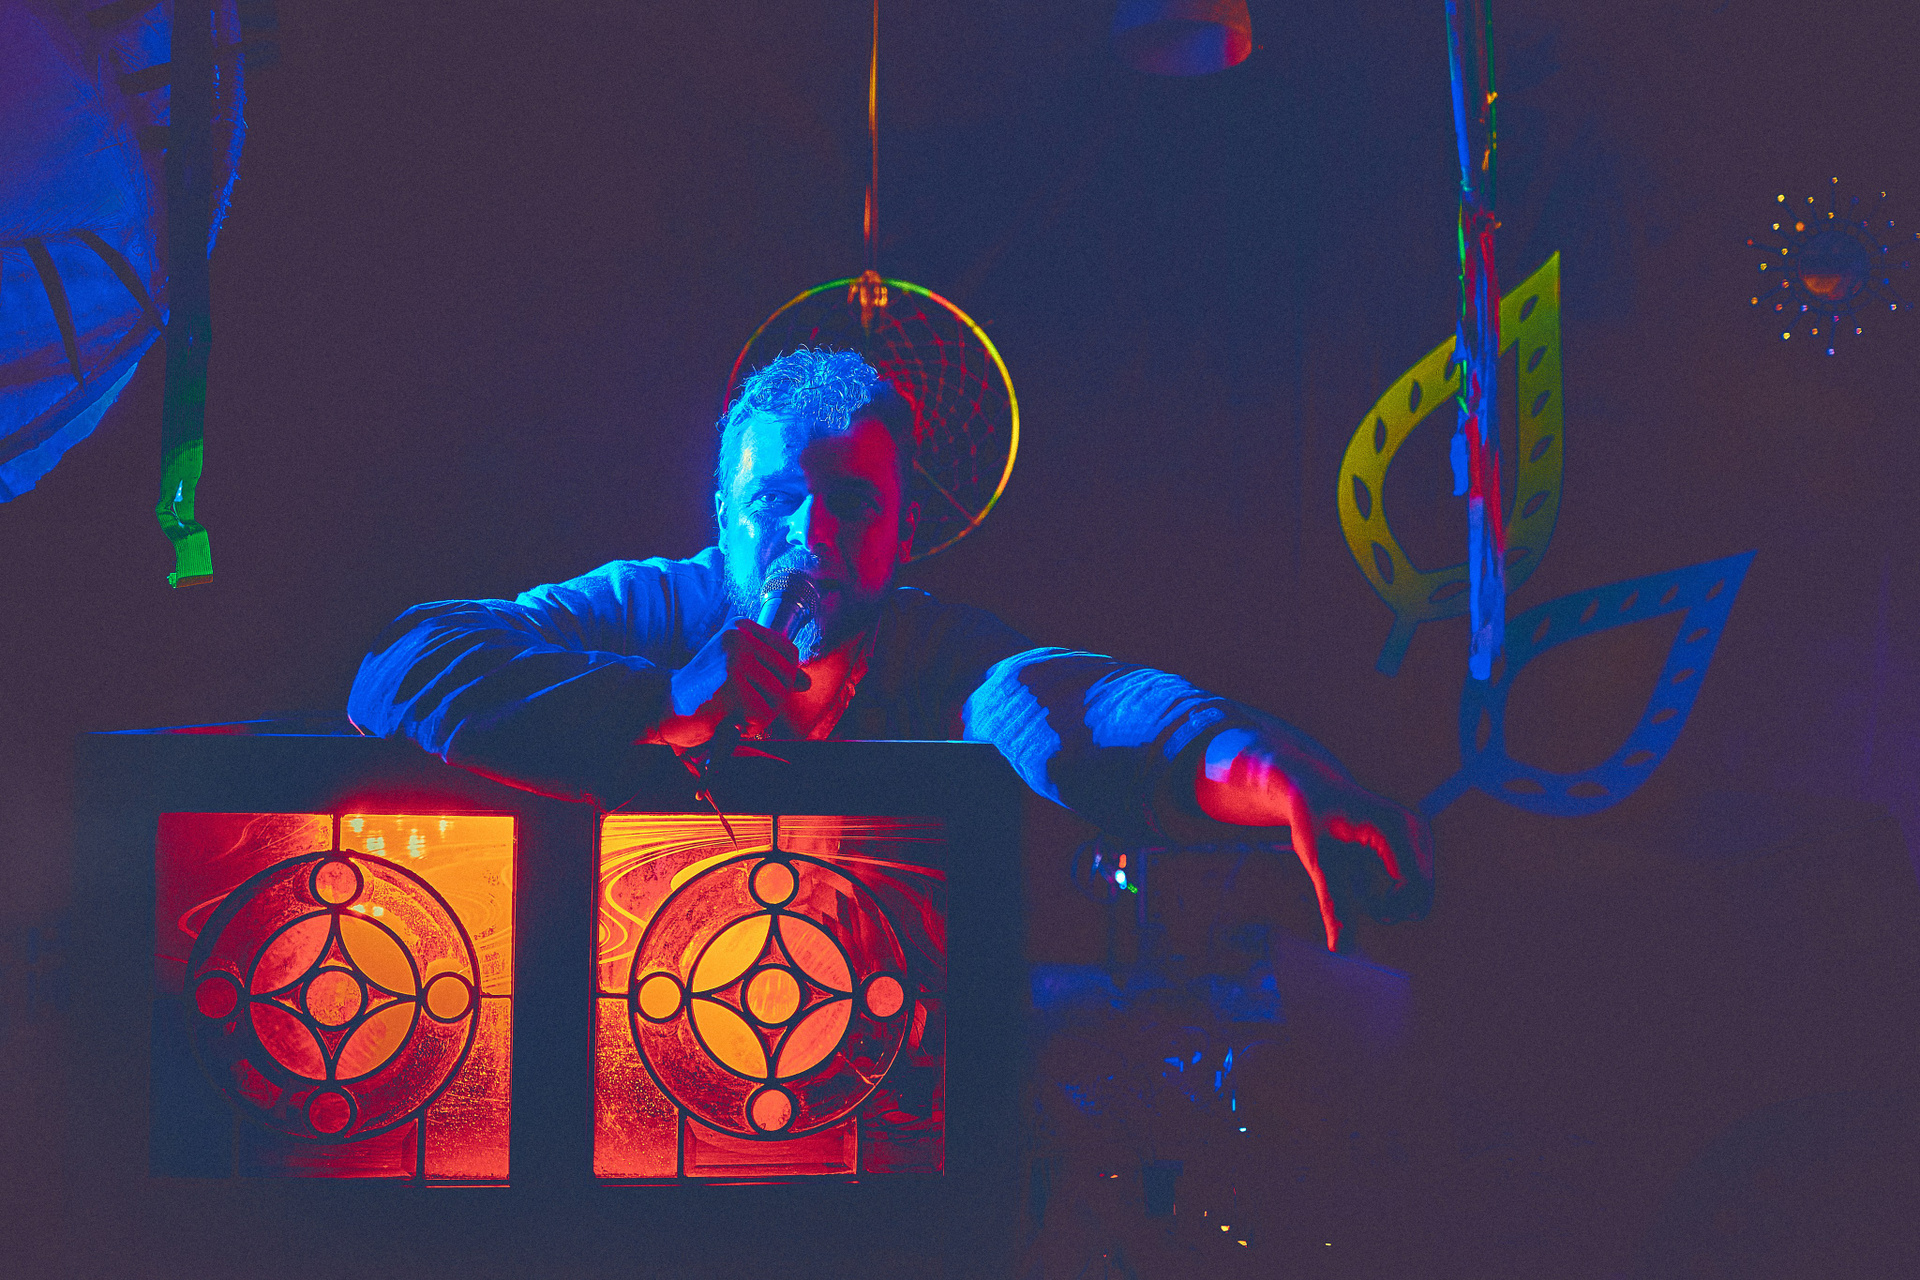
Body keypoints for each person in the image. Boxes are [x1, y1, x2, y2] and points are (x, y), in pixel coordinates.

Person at [348, 349, 1433, 951]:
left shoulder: (938, 656)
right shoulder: (648, 610)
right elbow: (403, 663)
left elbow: (1079, 706)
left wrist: (1270, 772)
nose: (811, 536)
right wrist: (663, 699)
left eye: (854, 505)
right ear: (721, 515)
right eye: (773, 500)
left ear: (905, 531)